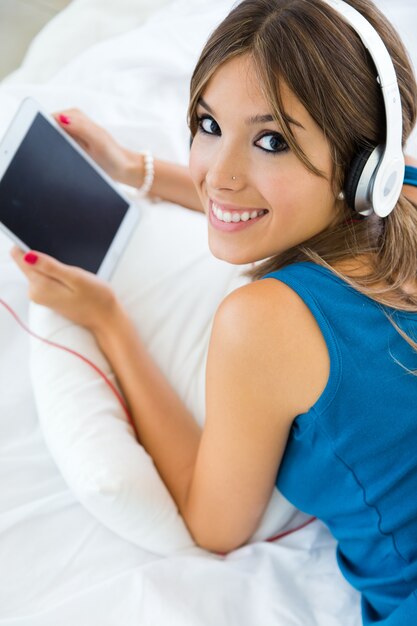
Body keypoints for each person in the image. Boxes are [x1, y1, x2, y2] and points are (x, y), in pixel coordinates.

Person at [10, 0, 417, 623]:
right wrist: (136, 170)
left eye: (271, 140)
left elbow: (213, 526)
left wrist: (109, 324)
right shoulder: (403, 190)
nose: (218, 175)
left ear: (363, 168)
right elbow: (262, 204)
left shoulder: (268, 324)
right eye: (207, 124)